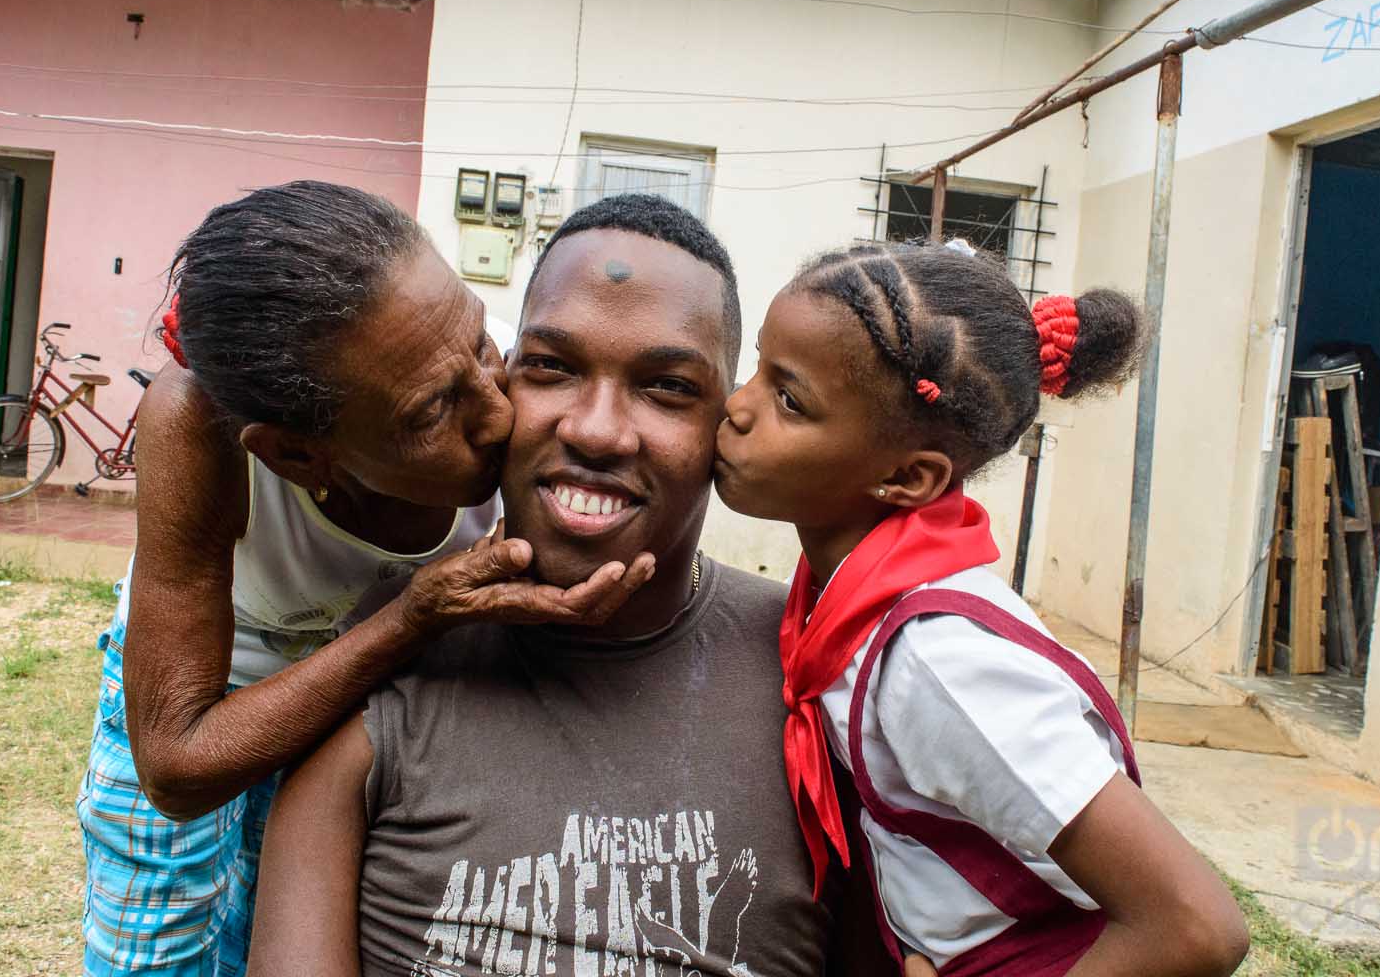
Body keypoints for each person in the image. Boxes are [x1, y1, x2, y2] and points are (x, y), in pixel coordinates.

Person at [245, 194, 833, 977]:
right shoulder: (377, 660)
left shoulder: (825, 667)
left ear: (727, 423)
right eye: (551, 367)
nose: (594, 429)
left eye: (667, 387)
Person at [78, 181, 650, 977]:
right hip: (207, 695)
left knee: (276, 927)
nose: (497, 415)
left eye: (485, 346)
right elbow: (175, 764)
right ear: (299, 457)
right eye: (429, 414)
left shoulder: (496, 372)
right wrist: (413, 619)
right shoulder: (197, 429)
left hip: (361, 703)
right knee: (155, 942)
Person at [713, 239, 1251, 976]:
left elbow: (1196, 926)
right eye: (757, 369)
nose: (737, 408)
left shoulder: (941, 663)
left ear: (908, 476)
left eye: (789, 399)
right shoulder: (845, 596)